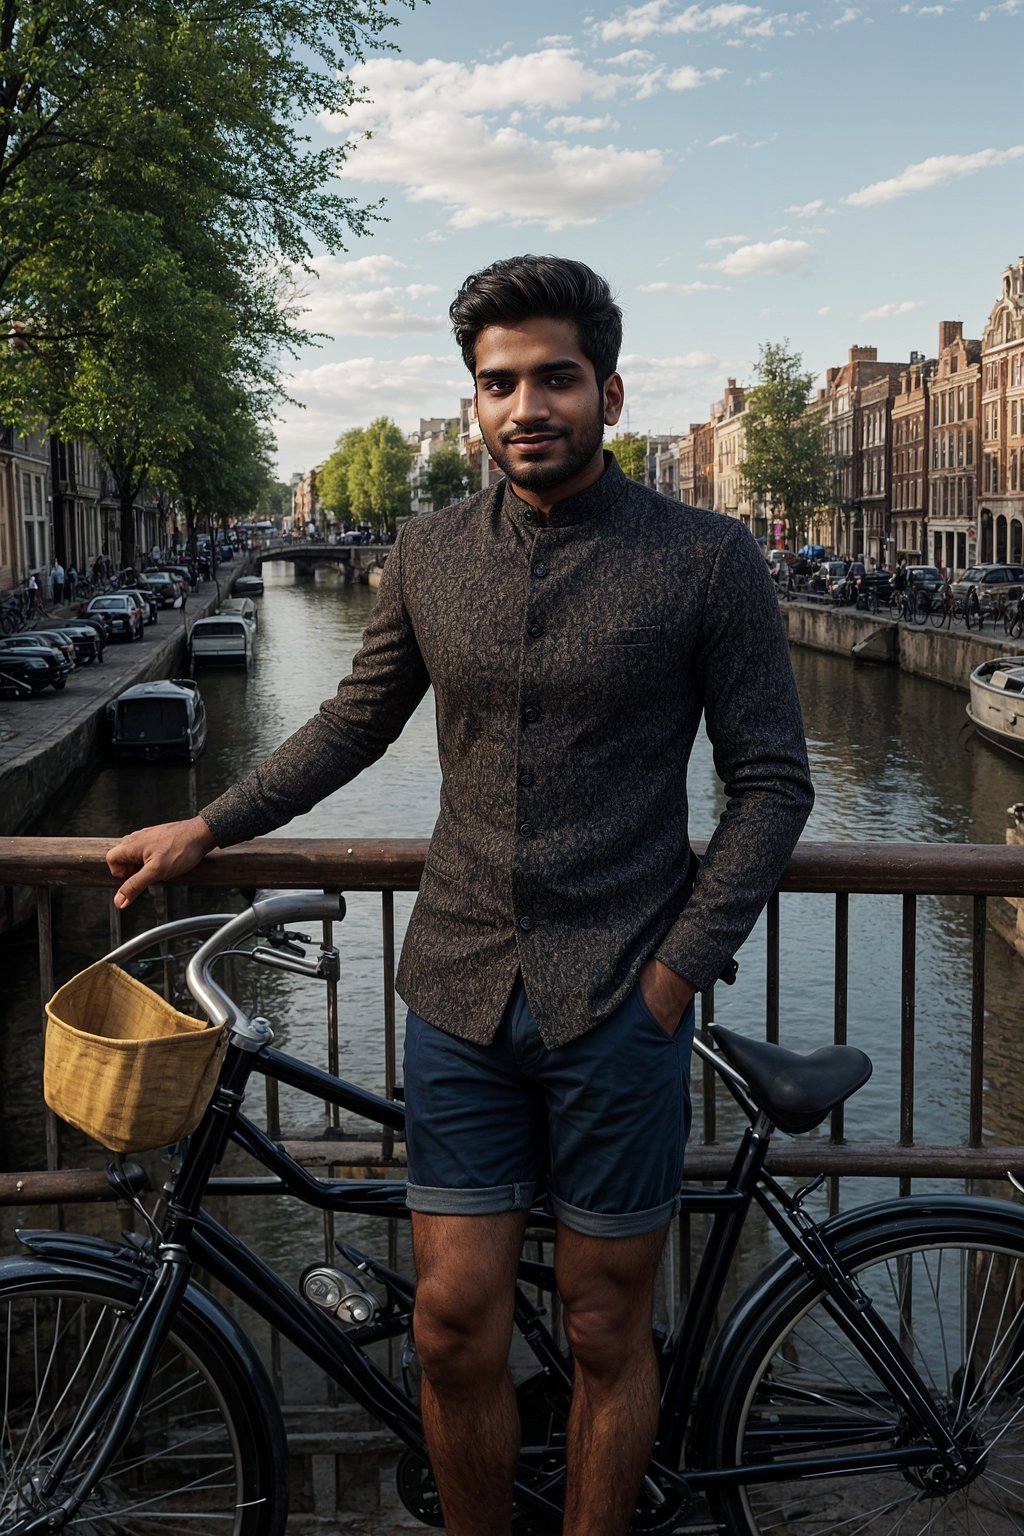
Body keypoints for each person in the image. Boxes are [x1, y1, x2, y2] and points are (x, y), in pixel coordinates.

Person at [106, 255, 813, 1536]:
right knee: (448, 1324)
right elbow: (352, 723)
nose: (524, 404)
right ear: (473, 404)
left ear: (608, 388)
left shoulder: (706, 559)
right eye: (498, 384)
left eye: (553, 377)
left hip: (623, 992)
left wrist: (676, 972)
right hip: (460, 990)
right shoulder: (428, 549)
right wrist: (209, 824)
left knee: (605, 1328)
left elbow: (771, 784)